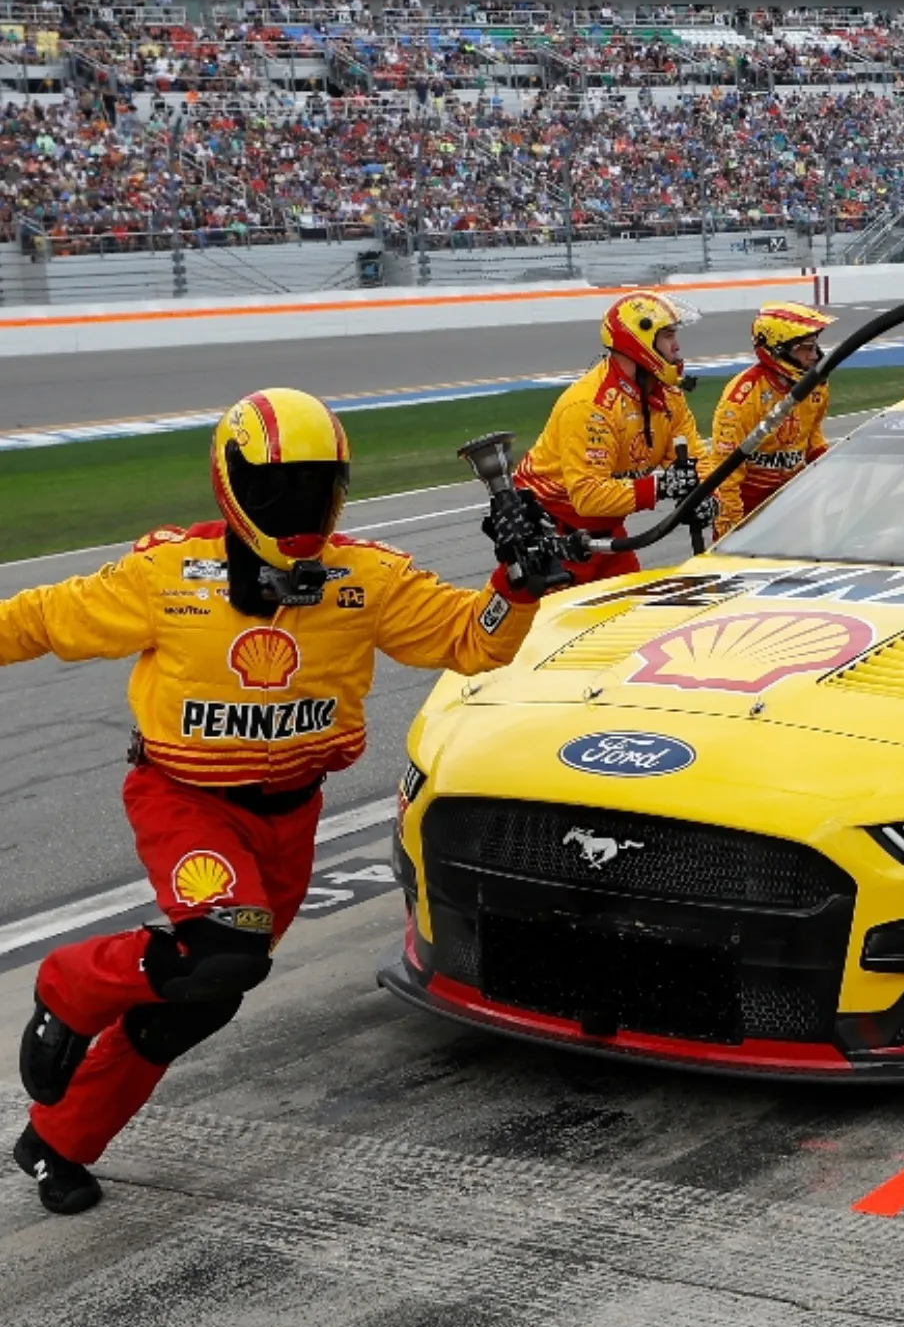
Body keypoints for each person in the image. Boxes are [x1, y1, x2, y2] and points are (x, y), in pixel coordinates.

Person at [4, 388, 552, 1216]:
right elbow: (40, 618)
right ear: (231, 485)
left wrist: (519, 582)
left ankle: (55, 1141)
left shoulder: (366, 577)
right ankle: (67, 984)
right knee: (223, 948)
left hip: (293, 817)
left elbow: (473, 641)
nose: (298, 506)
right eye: (278, 487)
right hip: (184, 800)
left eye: (316, 486)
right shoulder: (165, 575)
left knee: (202, 999)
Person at [514, 290, 710, 582]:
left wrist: (708, 497)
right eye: (668, 336)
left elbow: (695, 460)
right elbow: (589, 497)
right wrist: (661, 487)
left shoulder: (668, 396)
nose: (677, 346)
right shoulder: (590, 406)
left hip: (604, 531)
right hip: (550, 537)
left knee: (634, 615)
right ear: (641, 342)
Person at [706, 302, 836, 540]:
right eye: (806, 348)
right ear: (778, 350)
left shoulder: (816, 387)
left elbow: (812, 433)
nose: (815, 355)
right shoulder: (742, 398)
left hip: (793, 501)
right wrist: (731, 529)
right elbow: (725, 473)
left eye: (815, 346)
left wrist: (827, 468)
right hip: (748, 507)